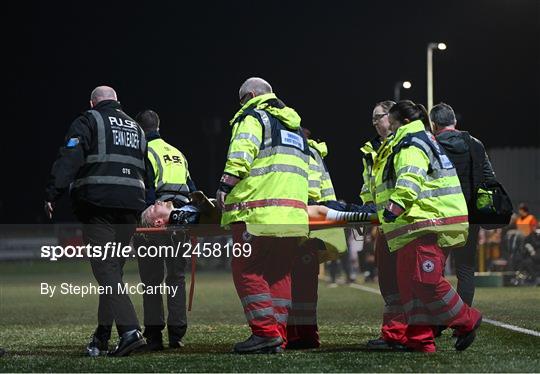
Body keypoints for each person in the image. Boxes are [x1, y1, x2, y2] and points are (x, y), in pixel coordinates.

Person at [371, 100, 482, 352]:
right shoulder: (418, 139)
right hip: (414, 225)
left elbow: (410, 177)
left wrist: (393, 208)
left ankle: (468, 319)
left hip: (424, 223)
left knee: (425, 282)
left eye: (394, 121)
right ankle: (420, 339)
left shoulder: (411, 142)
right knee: (411, 286)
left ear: (404, 122)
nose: (390, 125)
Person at [44, 86, 146, 357]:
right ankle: (101, 336)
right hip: (131, 207)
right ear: (117, 102)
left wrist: (53, 192)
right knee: (112, 272)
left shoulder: (89, 119)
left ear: (92, 102)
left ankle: (130, 331)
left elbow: (71, 156)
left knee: (106, 271)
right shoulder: (136, 127)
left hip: (98, 204)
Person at [216, 77, 311, 354]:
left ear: (252, 95)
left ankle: (265, 332)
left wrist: (225, 184)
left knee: (247, 269)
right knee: (279, 273)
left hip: (258, 212)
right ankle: (277, 334)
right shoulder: (293, 127)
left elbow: (241, 154)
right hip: (291, 215)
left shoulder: (252, 116)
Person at [134, 109, 196, 351]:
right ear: (158, 127)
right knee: (176, 279)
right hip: (179, 221)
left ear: (139, 129)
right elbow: (191, 188)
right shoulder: (177, 153)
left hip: (155, 224)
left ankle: (154, 335)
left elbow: (146, 189)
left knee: (151, 280)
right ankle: (177, 334)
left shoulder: (142, 150)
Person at [431, 102, 497, 307]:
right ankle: (463, 322)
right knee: (466, 269)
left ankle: (439, 320)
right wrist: (483, 211)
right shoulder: (475, 143)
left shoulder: (431, 144)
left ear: (434, 124)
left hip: (439, 214)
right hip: (469, 215)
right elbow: (489, 178)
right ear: (454, 121)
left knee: (434, 269)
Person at [287, 129, 347, 349]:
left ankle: (292, 334)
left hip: (291, 222)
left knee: (287, 283)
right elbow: (326, 191)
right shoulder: (315, 153)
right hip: (313, 227)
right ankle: (307, 334)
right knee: (306, 286)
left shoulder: (288, 149)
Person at [361, 101, 409, 351]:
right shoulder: (371, 150)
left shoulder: (405, 143)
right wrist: (367, 214)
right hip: (385, 225)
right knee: (389, 282)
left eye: (377, 117)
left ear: (391, 117)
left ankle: (412, 333)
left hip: (405, 223)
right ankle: (393, 333)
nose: (375, 123)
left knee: (407, 282)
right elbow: (369, 188)